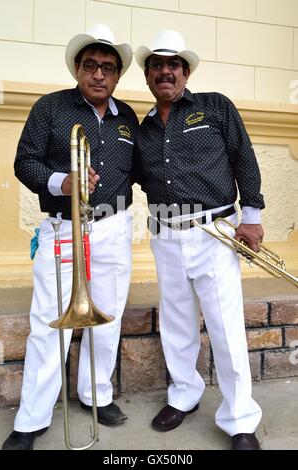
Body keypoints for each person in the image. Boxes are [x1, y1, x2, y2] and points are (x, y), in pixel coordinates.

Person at [2, 24, 138, 450]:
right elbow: (25, 162)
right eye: (91, 66)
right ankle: (32, 418)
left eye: (108, 68)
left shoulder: (128, 116)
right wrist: (62, 182)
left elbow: (137, 169)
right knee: (50, 321)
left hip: (115, 226)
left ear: (118, 76)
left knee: (108, 314)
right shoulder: (51, 108)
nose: (99, 74)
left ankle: (96, 393)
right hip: (64, 225)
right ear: (78, 68)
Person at [134, 30, 264, 450]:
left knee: (226, 328)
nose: (165, 71)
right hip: (165, 234)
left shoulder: (215, 107)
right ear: (149, 75)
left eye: (173, 64)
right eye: (157, 65)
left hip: (216, 233)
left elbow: (244, 156)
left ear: (185, 71)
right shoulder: (144, 128)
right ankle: (184, 394)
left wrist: (253, 216)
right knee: (176, 323)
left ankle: (240, 418)